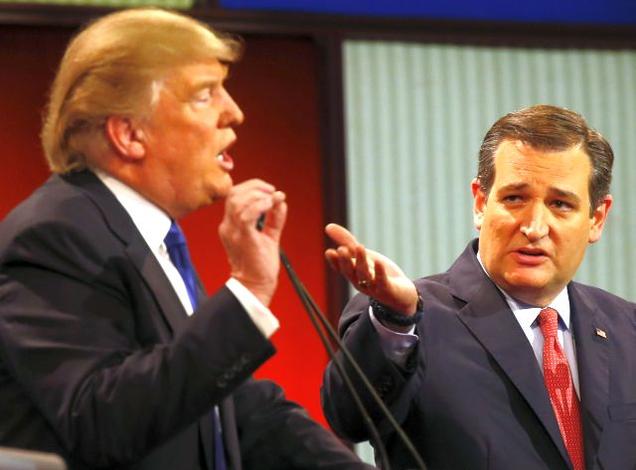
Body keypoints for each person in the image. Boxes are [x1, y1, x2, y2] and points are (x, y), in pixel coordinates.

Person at [0, 8, 373, 470]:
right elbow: (101, 418)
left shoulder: (146, 237)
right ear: (129, 133)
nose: (234, 112)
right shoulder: (55, 236)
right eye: (204, 95)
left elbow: (229, 412)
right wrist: (249, 291)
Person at [322, 104, 636, 470]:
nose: (534, 226)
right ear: (480, 203)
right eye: (515, 198)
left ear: (596, 219)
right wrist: (394, 318)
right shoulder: (410, 320)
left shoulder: (627, 329)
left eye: (560, 204)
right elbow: (350, 418)